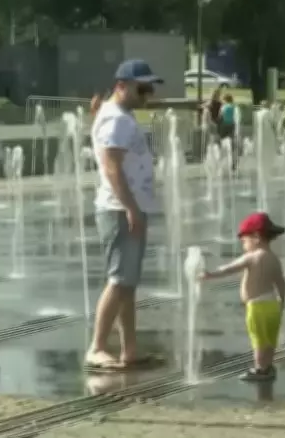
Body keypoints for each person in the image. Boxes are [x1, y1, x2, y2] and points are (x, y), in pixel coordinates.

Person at [84, 59, 162, 371]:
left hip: (128, 206)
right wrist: (130, 206)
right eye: (142, 88)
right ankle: (97, 347)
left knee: (128, 283)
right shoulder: (116, 119)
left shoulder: (118, 115)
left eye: (150, 88)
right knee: (118, 280)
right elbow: (111, 166)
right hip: (119, 209)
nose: (148, 95)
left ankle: (129, 348)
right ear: (121, 86)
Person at [200, 212, 285, 382]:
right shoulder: (274, 258)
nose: (243, 243)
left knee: (258, 340)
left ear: (256, 237)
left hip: (256, 307)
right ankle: (268, 366)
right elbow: (281, 282)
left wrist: (210, 275)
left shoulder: (252, 257)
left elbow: (229, 268)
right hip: (272, 305)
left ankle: (260, 369)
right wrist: (283, 301)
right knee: (270, 339)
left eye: (244, 239)